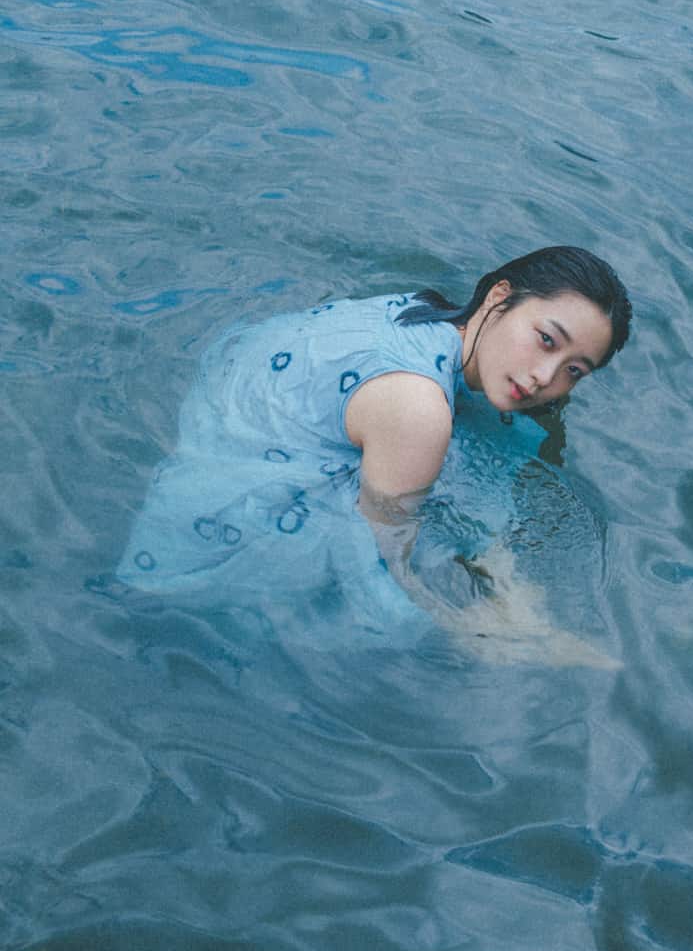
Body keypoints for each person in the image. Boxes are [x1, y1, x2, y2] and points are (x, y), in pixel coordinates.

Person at [117, 247, 631, 662]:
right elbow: (378, 562)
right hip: (202, 559)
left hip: (223, 415)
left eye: (574, 370)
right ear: (500, 297)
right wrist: (495, 633)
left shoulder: (420, 311)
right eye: (546, 340)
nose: (545, 376)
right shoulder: (417, 408)